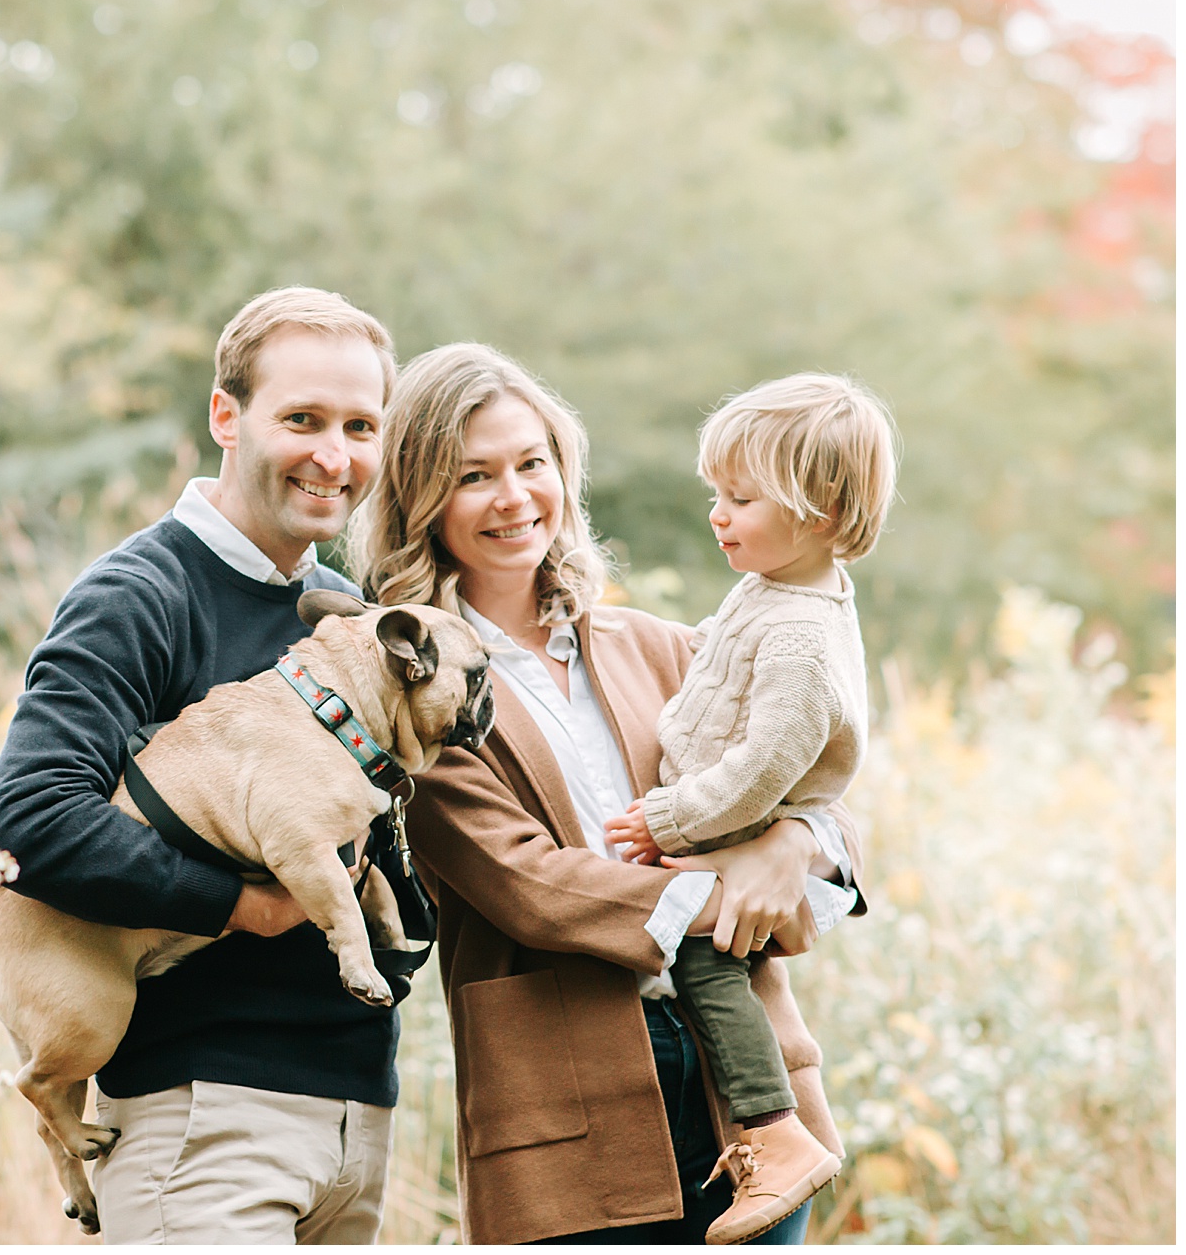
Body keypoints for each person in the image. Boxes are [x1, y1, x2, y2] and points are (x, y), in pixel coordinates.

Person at [351, 343, 865, 1245]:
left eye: (531, 463)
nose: (514, 497)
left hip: (748, 1097)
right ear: (422, 499)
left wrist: (793, 847)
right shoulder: (413, 692)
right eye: (474, 475)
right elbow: (530, 885)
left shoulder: (663, 645)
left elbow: (811, 780)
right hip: (566, 1115)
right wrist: (717, 892)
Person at [0, 286, 403, 1243]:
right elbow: (26, 823)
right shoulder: (140, 595)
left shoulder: (345, 608)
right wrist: (242, 906)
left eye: (360, 426)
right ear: (225, 416)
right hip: (199, 1119)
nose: (334, 456)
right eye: (302, 420)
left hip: (354, 1119)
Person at [602, 374, 895, 1243]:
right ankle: (771, 1136)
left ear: (818, 509)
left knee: (708, 966)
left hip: (731, 824)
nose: (717, 515)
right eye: (714, 496)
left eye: (740, 498)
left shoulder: (803, 636)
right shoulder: (774, 591)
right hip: (737, 825)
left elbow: (765, 762)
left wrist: (672, 820)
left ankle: (773, 1136)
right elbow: (718, 671)